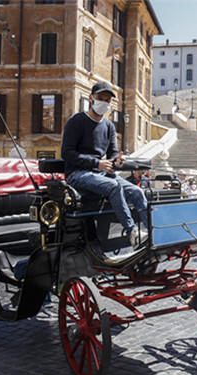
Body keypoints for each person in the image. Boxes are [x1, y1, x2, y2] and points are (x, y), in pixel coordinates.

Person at [61, 81, 149, 249]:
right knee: (114, 186)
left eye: (107, 100)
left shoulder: (108, 126)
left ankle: (154, 232)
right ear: (91, 98)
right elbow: (67, 153)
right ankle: (132, 232)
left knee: (137, 192)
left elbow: (113, 153)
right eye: (100, 98)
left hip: (99, 173)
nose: (104, 102)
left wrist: (117, 160)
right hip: (78, 174)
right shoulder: (76, 121)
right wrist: (97, 163)